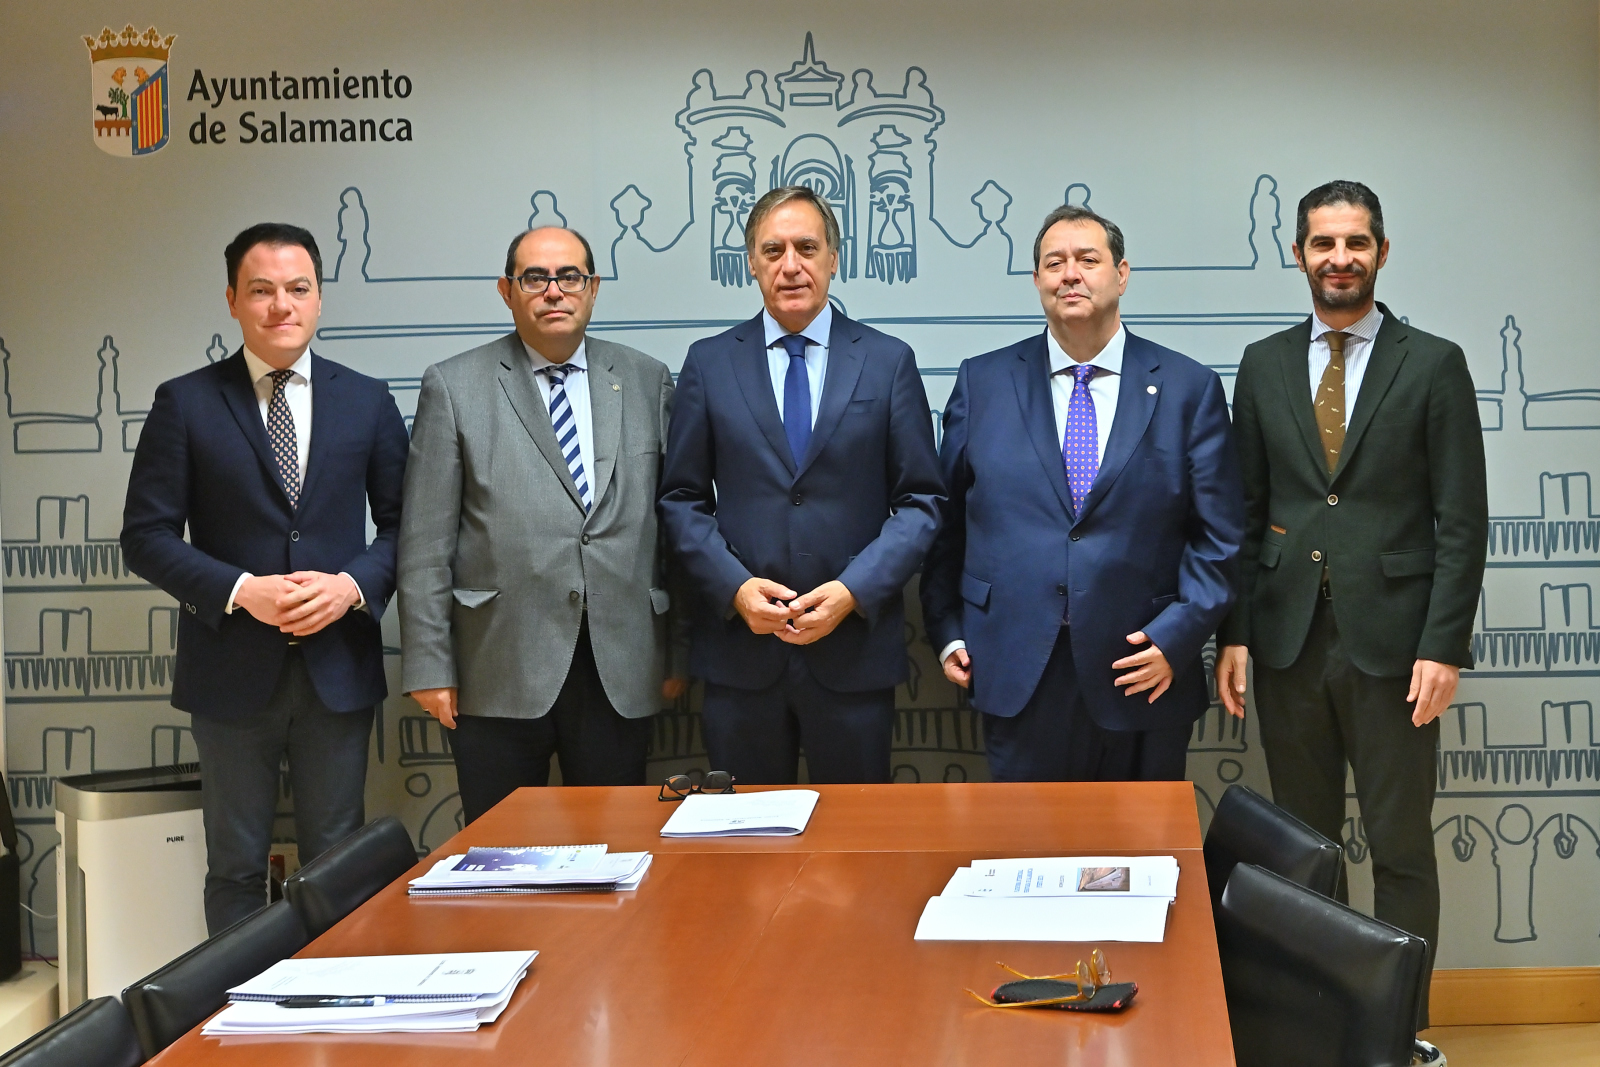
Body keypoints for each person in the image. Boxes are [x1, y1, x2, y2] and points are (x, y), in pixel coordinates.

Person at [1215, 181, 1486, 1057]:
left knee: (1400, 848)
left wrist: (1443, 644)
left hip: (1398, 648)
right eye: (1324, 243)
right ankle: (1320, 1025)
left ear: (1381, 252)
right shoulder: (1261, 364)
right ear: (1298, 253)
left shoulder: (1433, 363)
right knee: (1304, 848)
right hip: (1287, 641)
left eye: (1356, 243)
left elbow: (1461, 520)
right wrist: (1236, 632)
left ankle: (1397, 1037)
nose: (1341, 258)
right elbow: (1246, 512)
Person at [121, 223, 409, 934]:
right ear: (232, 300)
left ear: (319, 298)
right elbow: (146, 536)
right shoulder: (185, 402)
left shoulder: (368, 400)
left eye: (298, 288)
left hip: (336, 668)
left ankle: (334, 995)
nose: (282, 305)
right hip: (229, 669)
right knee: (235, 867)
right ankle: (234, 1004)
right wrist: (239, 590)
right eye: (262, 290)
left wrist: (351, 586)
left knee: (337, 861)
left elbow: (408, 527)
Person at [921, 205, 1242, 783]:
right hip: (1016, 668)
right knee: (1027, 841)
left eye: (1087, 260)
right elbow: (945, 524)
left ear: (1121, 274)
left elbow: (1218, 537)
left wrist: (1176, 638)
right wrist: (946, 632)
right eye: (1054, 263)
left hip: (1143, 669)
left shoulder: (1189, 388)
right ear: (1036, 280)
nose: (1070, 274)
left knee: (1143, 842)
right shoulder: (982, 382)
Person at [659, 185, 943, 785]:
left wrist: (852, 591)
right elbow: (681, 499)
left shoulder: (888, 361)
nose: (791, 265)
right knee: (746, 832)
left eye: (807, 248)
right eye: (773, 250)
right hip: (741, 655)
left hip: (854, 652)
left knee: (858, 834)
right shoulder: (709, 363)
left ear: (833, 258)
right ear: (752, 263)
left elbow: (921, 502)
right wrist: (736, 589)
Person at [398, 227, 684, 824]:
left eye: (569, 276)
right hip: (496, 667)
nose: (554, 291)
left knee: (619, 848)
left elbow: (675, 528)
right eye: (535, 277)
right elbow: (424, 543)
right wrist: (428, 664)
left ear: (593, 288)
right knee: (502, 856)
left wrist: (678, 653)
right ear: (507, 291)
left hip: (620, 665)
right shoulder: (453, 385)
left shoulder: (646, 378)